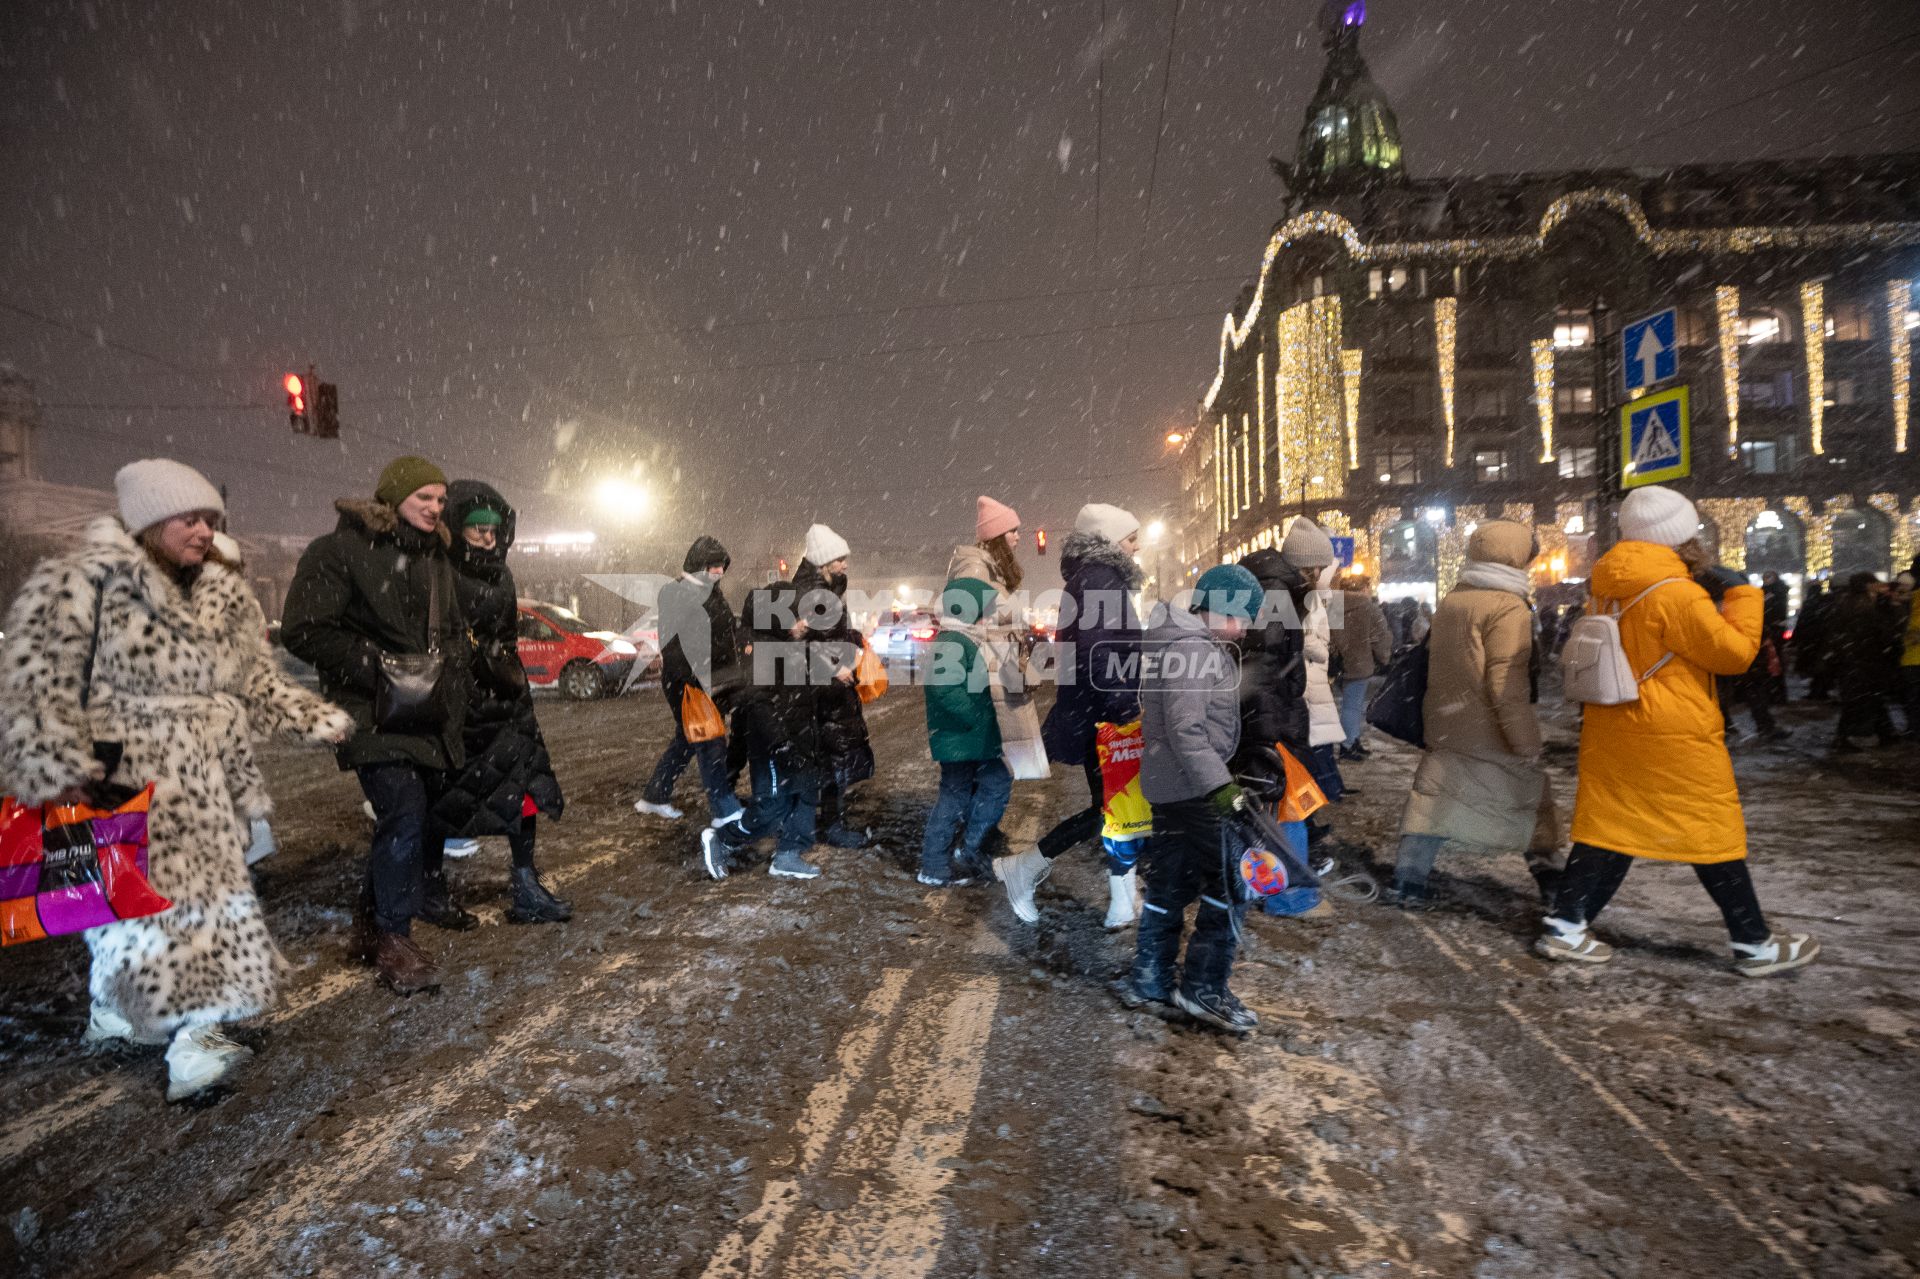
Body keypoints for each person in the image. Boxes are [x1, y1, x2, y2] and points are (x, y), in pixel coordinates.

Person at [0, 459, 352, 1101]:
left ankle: (120, 1010)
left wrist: (311, 716)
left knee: (146, 906)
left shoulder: (222, 592)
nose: (203, 530)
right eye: (189, 518)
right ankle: (195, 1047)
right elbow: (33, 686)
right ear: (148, 521)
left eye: (210, 518)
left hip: (200, 777)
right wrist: (52, 766)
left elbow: (255, 679)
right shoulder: (81, 586)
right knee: (154, 906)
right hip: (116, 773)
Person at [1539, 485, 1817, 977]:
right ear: (1679, 536)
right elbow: (1732, 655)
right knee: (1709, 828)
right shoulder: (1675, 593)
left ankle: (1566, 925)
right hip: (1671, 729)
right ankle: (1753, 943)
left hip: (1613, 722)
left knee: (1611, 825)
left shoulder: (1607, 585)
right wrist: (1743, 594)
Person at [282, 456, 470, 995]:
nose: (435, 508)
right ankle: (394, 939)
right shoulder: (339, 552)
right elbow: (303, 629)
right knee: (404, 810)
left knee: (406, 817)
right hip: (368, 708)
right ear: (393, 499)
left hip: (426, 708)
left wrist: (456, 687)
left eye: (440, 498)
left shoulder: (437, 557)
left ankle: (368, 929)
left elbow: (451, 633)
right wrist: (376, 667)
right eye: (424, 498)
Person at [1122, 564, 1264, 1034]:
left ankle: (1150, 976)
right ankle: (1203, 986)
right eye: (1240, 617)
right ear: (1218, 608)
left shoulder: (1181, 642)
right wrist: (1219, 786)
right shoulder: (1192, 648)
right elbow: (1187, 729)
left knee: (1169, 882)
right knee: (1233, 880)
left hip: (1170, 785)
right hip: (1192, 787)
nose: (1243, 629)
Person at [1389, 520, 1561, 905]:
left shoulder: (1454, 600)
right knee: (1530, 803)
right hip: (1491, 730)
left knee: (1432, 803)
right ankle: (1555, 891)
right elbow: (1507, 684)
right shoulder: (1507, 606)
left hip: (1449, 723)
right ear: (1517, 557)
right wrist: (1526, 740)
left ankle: (1407, 882)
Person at [429, 483, 571, 924]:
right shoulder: (438, 571)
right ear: (456, 528)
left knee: (524, 788)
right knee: (443, 796)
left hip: (506, 698)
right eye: (476, 529)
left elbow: (505, 635)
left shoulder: (502, 573)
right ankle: (430, 887)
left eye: (493, 529)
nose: (488, 537)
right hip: (458, 701)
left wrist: (504, 668)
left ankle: (525, 884)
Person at [997, 502, 1142, 925]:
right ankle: (1024, 869)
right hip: (1104, 713)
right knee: (1115, 809)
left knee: (1118, 809)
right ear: (1112, 540)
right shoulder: (1100, 579)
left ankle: (1122, 900)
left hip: (1095, 708)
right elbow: (1099, 651)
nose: (1136, 548)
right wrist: (1123, 705)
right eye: (1131, 539)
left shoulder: (1093, 577)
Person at [700, 580, 827, 880]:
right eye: (797, 615)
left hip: (800, 738)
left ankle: (788, 854)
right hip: (771, 745)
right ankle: (724, 839)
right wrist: (781, 745)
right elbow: (759, 705)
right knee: (771, 807)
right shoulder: (758, 651)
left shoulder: (791, 644)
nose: (804, 623)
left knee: (807, 794)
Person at [634, 536, 747, 829]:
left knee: (687, 740)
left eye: (722, 567)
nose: (719, 572)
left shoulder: (713, 593)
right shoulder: (675, 593)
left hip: (715, 680)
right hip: (688, 683)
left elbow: (723, 634)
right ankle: (724, 807)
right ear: (698, 566)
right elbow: (672, 646)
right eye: (713, 566)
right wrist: (697, 680)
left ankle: (654, 796)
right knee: (709, 741)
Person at [917, 572, 1012, 887]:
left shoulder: (964, 638)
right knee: (964, 793)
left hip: (968, 737)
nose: (988, 615)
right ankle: (944, 860)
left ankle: (963, 853)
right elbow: (944, 691)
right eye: (983, 609)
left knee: (978, 788)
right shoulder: (952, 641)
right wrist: (977, 718)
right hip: (961, 736)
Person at [794, 524, 874, 848]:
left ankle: (830, 821)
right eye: (840, 559)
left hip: (832, 690)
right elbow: (801, 645)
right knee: (828, 760)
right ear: (824, 562)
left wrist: (853, 640)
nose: (845, 564)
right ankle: (830, 826)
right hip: (819, 693)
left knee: (834, 758)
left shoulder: (830, 590)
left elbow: (829, 636)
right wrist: (832, 667)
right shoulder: (809, 595)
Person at [1827, 571, 1901, 751]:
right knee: (1860, 700)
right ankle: (1842, 739)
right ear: (1867, 585)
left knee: (1866, 698)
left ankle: (1886, 732)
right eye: (1875, 582)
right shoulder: (1865, 605)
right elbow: (1881, 632)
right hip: (1864, 660)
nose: (1879, 584)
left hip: (1853, 659)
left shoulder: (1848, 602)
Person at [1332, 577, 1392, 760]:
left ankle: (1352, 739)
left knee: (1350, 703)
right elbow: (1381, 635)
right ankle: (1348, 744)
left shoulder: (1332, 605)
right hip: (1361, 660)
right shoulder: (1368, 607)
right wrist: (1384, 656)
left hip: (1341, 661)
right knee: (1353, 705)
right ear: (1364, 588)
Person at [1793, 579, 1834, 701]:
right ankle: (1820, 691)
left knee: (1814, 667)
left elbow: (1802, 621)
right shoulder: (1825, 602)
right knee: (1819, 667)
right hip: (1820, 638)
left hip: (1810, 639)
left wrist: (1796, 637)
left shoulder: (1810, 603)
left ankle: (1817, 691)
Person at [1900, 564, 1920, 733]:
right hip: (1912, 656)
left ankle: (1913, 728)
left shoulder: (1908, 599)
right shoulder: (1911, 599)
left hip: (1910, 657)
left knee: (1912, 695)